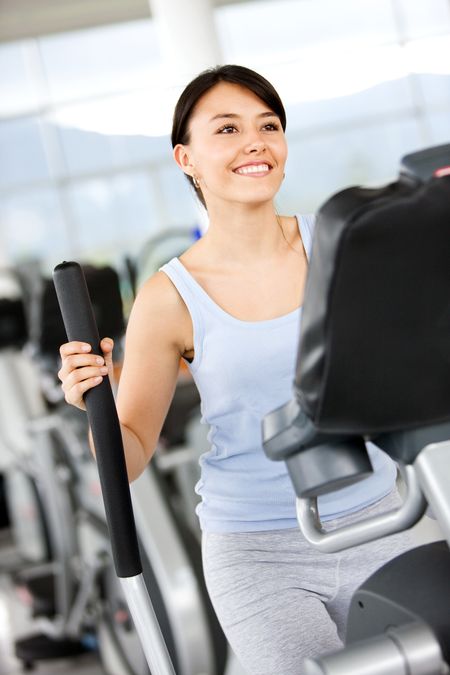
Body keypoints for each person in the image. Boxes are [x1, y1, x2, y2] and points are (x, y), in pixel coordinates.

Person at [58, 65, 415, 675]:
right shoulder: (168, 297)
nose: (256, 141)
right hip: (259, 552)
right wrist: (97, 396)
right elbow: (133, 451)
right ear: (186, 158)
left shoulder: (340, 242)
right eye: (227, 128)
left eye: (268, 126)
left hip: (388, 518)